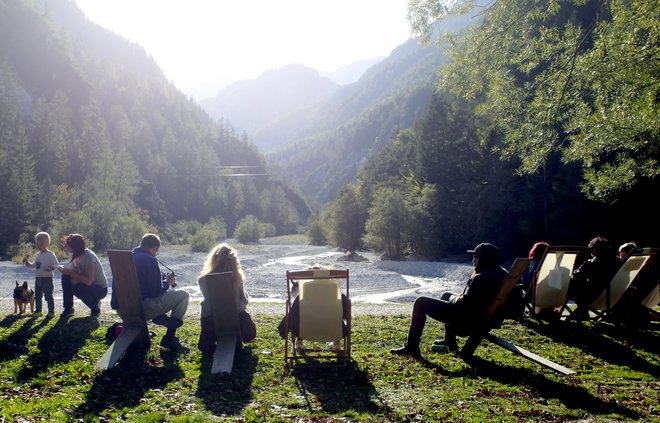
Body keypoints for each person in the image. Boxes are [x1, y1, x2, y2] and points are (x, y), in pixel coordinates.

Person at [390, 242, 508, 359]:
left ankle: (411, 347)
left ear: (484, 259)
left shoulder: (481, 277)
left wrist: (454, 298)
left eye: (475, 257)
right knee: (446, 295)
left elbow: (462, 303)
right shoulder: (502, 273)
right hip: (482, 316)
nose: (473, 261)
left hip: (467, 320)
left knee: (420, 302)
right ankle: (449, 342)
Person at [132, 233, 189, 352]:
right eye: (157, 251)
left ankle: (161, 316)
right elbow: (155, 292)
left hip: (123, 309)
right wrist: (167, 282)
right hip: (143, 308)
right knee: (183, 295)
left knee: (157, 300)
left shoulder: (128, 257)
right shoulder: (150, 260)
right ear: (154, 248)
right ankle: (170, 335)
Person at [197, 243, 255, 355]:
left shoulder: (203, 280)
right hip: (233, 320)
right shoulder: (237, 279)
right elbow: (244, 300)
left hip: (210, 321)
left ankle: (210, 343)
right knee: (242, 314)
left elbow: (208, 301)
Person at [278, 264, 349, 351]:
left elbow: (294, 314)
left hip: (306, 331)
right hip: (334, 330)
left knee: (299, 315)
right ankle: (336, 343)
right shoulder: (334, 289)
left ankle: (298, 343)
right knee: (335, 314)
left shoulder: (305, 290)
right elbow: (346, 313)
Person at [56, 234, 108, 317]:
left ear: (74, 247)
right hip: (86, 284)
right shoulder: (73, 254)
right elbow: (73, 271)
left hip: (99, 289)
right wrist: (65, 271)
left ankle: (95, 307)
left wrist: (70, 273)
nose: (64, 247)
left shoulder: (89, 257)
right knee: (65, 277)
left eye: (67, 245)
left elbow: (89, 281)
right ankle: (68, 308)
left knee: (78, 289)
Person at [568, 236, 619, 319]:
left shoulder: (594, 263)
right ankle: (582, 311)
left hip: (594, 296)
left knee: (573, 284)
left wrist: (585, 262)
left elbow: (577, 275)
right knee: (578, 284)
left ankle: (582, 311)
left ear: (594, 249)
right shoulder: (617, 262)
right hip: (612, 295)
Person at [23, 232, 60, 315]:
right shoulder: (37, 255)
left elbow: (56, 264)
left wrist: (51, 268)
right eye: (37, 244)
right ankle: (38, 310)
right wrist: (27, 262)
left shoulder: (50, 254)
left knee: (48, 296)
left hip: (47, 278)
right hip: (38, 277)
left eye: (41, 244)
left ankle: (51, 311)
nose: (39, 246)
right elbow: (33, 265)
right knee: (38, 296)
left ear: (47, 243)